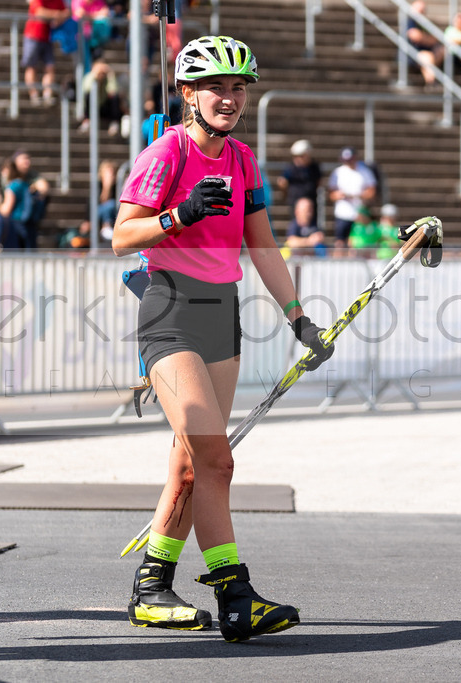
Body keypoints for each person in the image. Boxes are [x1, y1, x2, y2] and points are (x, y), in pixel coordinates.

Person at [111, 36, 333, 643]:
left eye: (238, 88)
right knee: (217, 457)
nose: (229, 98)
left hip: (222, 315)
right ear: (188, 93)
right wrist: (178, 215)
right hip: (170, 311)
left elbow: (261, 245)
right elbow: (120, 237)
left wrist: (298, 318)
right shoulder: (166, 153)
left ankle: (152, 588)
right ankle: (235, 595)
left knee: (191, 463)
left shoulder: (243, 160)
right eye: (216, 86)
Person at [328, 146, 377, 255]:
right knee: (340, 243)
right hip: (343, 213)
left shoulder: (364, 171)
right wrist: (339, 195)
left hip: (360, 213)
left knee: (358, 243)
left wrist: (357, 196)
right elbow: (331, 194)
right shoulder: (338, 172)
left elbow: (372, 192)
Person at [23, 0, 71, 105]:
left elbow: (67, 12)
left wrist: (60, 17)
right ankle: (34, 95)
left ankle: (47, 94)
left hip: (48, 37)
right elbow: (39, 12)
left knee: (50, 67)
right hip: (33, 35)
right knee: (31, 67)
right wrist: (56, 14)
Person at [277, 139, 324, 219]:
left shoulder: (314, 168)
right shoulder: (291, 168)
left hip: (311, 203)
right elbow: (282, 182)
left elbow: (319, 182)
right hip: (295, 203)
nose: (298, 159)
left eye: (301, 156)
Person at [79, 57, 124, 136]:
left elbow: (113, 91)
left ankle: (114, 123)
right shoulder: (89, 77)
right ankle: (87, 120)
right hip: (92, 107)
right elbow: (86, 89)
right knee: (88, 95)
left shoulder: (108, 78)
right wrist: (94, 75)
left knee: (115, 98)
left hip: (104, 107)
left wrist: (110, 75)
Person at [406, 0, 444, 87]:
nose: (421, 12)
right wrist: (428, 39)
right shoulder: (410, 21)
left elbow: (435, 39)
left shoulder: (425, 23)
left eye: (423, 10)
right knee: (428, 57)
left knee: (442, 50)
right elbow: (415, 35)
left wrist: (425, 38)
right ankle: (431, 82)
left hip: (426, 52)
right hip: (412, 53)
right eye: (419, 10)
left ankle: (431, 80)